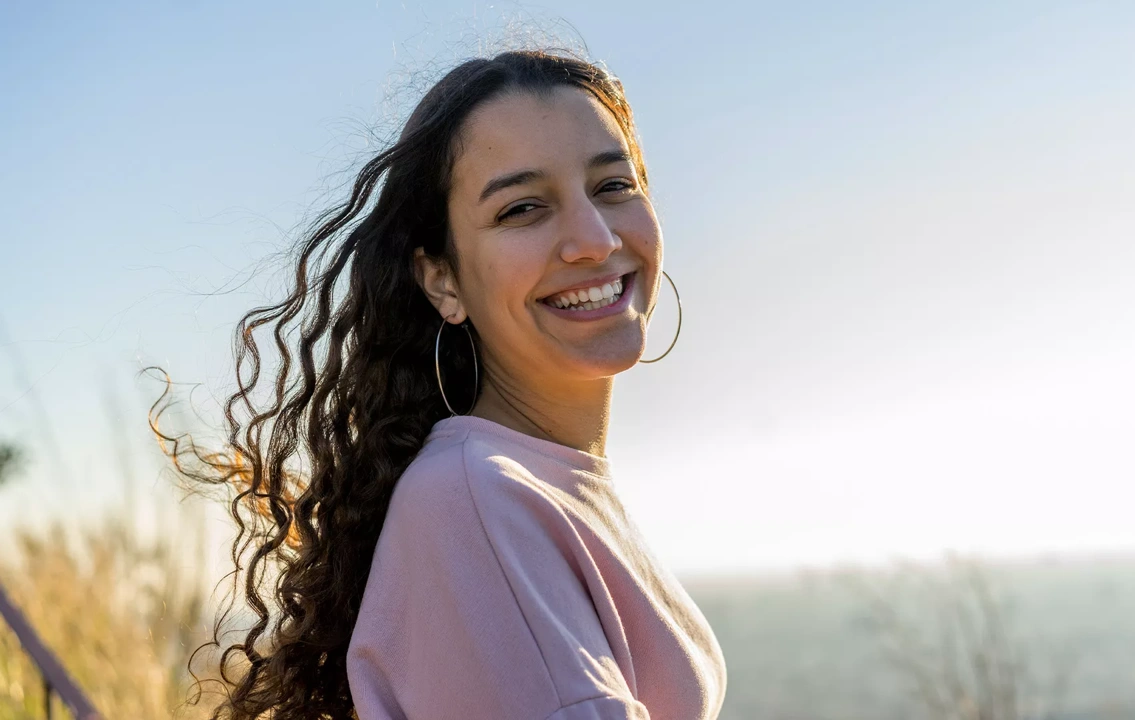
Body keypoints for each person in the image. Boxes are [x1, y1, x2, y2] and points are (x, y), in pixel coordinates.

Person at [153, 49, 727, 720]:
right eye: (522, 209)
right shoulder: (479, 498)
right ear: (441, 280)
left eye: (613, 187)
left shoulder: (534, 484)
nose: (594, 240)